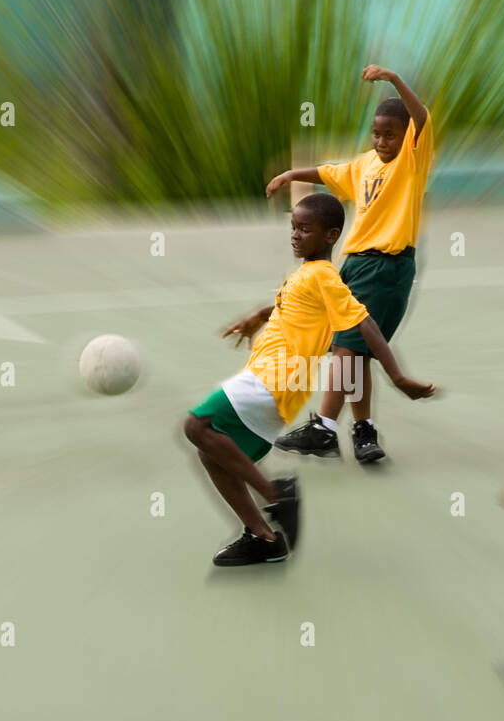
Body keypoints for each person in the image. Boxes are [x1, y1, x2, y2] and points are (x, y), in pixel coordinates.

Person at [184, 193, 436, 566]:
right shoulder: (307, 275)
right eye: (293, 227)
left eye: (305, 229)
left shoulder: (323, 276)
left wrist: (397, 377)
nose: (296, 235)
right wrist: (259, 314)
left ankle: (276, 496)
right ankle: (264, 538)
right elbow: (296, 306)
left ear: (332, 235)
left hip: (275, 378)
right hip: (273, 383)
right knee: (212, 455)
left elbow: (365, 322)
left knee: (196, 425)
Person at [265, 65, 434, 463]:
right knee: (352, 352)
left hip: (386, 266)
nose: (381, 140)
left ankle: (324, 427)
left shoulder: (411, 160)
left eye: (390, 134)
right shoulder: (365, 165)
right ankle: (363, 431)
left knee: (346, 348)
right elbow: (328, 172)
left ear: (406, 135)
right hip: (355, 265)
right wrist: (291, 174)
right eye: (376, 133)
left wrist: (394, 80)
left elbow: (422, 117)